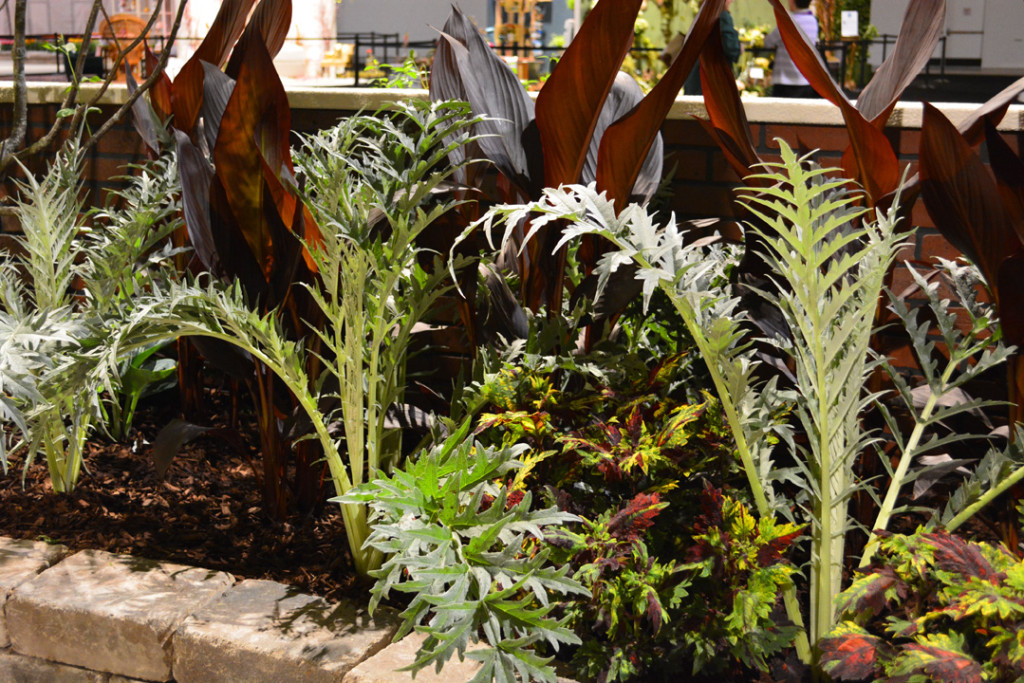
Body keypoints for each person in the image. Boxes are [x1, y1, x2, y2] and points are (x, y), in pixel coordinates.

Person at [661, 0, 741, 97]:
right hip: (710, 83)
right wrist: (738, 45)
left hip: (696, 79)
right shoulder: (721, 15)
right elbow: (730, 47)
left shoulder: (703, 14)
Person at [764, 0, 819, 98]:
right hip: (806, 80)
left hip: (785, 81)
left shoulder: (787, 21)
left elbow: (768, 43)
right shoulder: (813, 21)